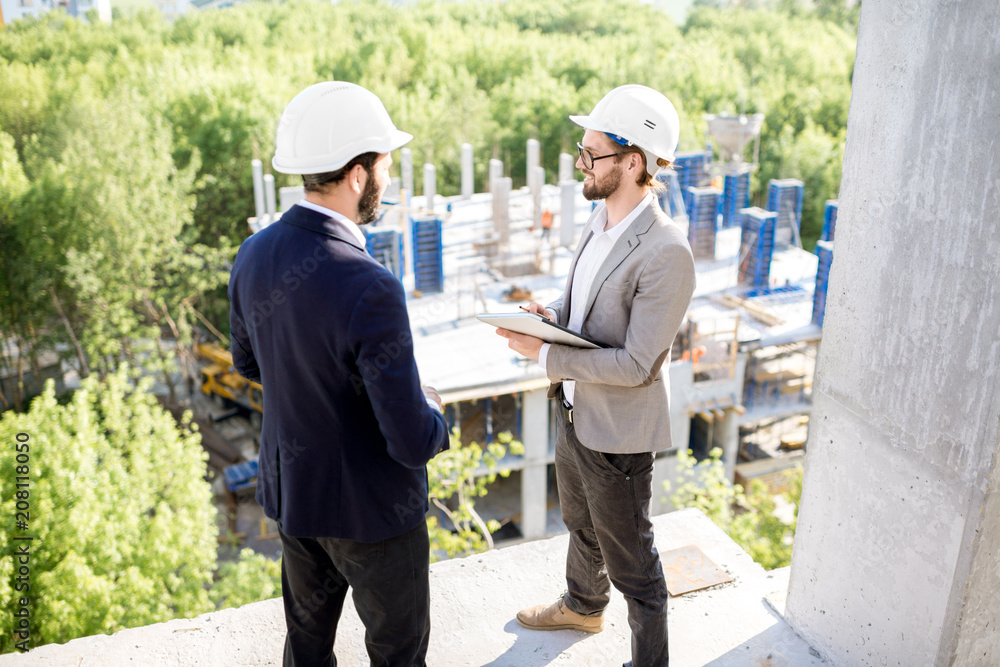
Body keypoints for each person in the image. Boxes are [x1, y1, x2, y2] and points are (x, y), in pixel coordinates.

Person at [228, 81, 449, 667]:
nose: (389, 179)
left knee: (306, 648)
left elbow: (250, 364)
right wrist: (436, 414)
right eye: (385, 165)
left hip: (297, 501)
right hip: (375, 517)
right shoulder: (370, 285)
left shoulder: (252, 254)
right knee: (398, 656)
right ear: (358, 174)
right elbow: (409, 441)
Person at [497, 84, 696, 667]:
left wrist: (544, 356)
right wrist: (549, 319)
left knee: (636, 564)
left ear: (634, 162)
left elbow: (638, 365)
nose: (581, 164)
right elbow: (580, 311)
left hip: (619, 435)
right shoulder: (598, 220)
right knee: (580, 523)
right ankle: (584, 604)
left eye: (592, 154)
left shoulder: (667, 252)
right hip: (576, 411)